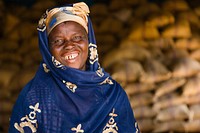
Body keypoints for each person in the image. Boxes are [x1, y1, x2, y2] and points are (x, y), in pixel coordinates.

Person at [8, 2, 140, 133]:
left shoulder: (112, 94)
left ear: (89, 41)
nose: (69, 45)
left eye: (77, 38)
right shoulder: (34, 96)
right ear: (48, 48)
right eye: (58, 41)